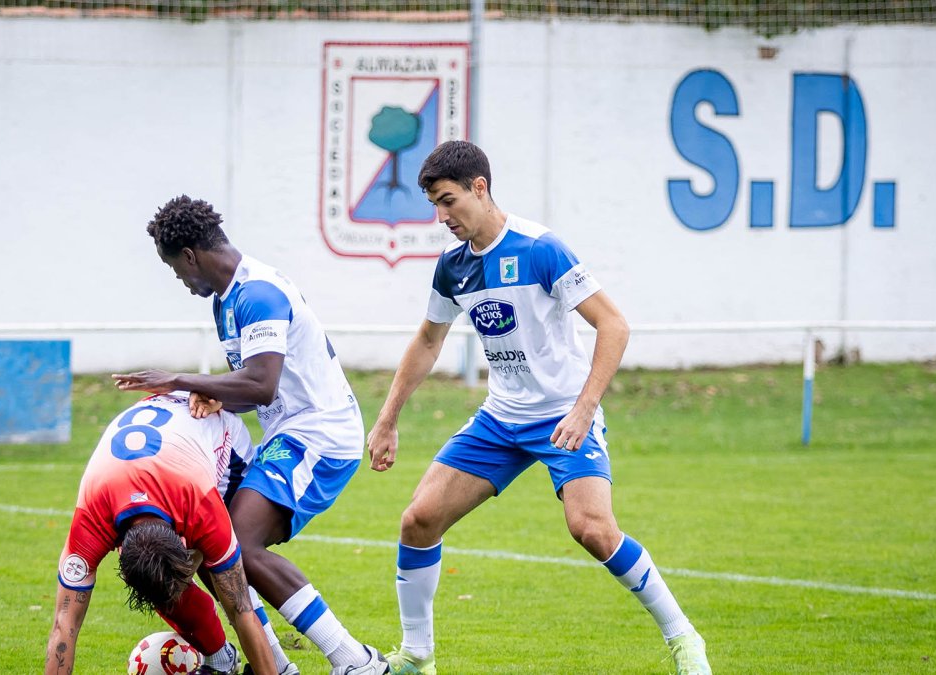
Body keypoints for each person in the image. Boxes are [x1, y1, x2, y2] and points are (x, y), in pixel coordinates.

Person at [365, 140, 712, 675]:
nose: (441, 217)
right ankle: (416, 657)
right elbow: (428, 341)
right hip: (501, 419)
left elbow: (613, 325)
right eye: (435, 203)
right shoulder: (452, 266)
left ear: (480, 188)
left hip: (563, 414)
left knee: (592, 529)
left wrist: (583, 408)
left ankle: (684, 638)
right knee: (418, 519)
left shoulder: (540, 248)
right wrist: (387, 418)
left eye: (448, 200)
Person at [111, 195, 388, 675]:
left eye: (177, 269)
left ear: (192, 256)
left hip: (320, 433)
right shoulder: (227, 301)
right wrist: (218, 396)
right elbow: (256, 390)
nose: (180, 280)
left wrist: (183, 380)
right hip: (289, 432)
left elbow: (262, 382)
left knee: (236, 541)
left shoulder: (257, 293)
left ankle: (354, 661)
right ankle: (276, 666)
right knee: (209, 543)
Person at [44, 392, 279, 675]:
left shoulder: (201, 505)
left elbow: (241, 611)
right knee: (157, 580)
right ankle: (221, 660)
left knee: (230, 585)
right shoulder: (91, 519)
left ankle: (280, 663)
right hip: (161, 441)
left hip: (222, 445)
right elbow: (64, 625)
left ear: (184, 541)